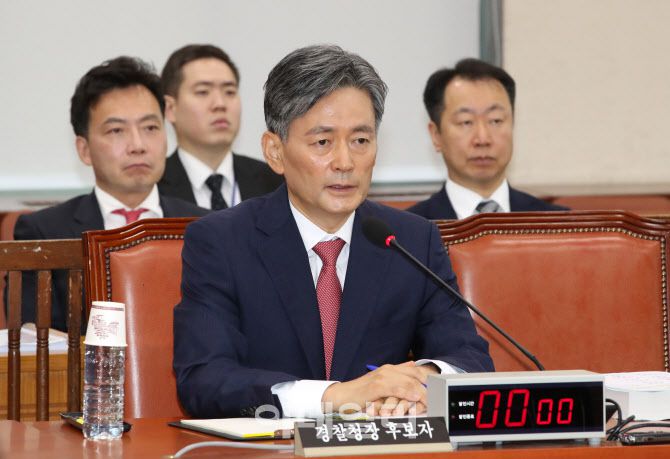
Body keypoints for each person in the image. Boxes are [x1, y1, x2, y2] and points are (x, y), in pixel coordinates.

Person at [173, 45, 493, 420]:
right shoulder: (222, 242)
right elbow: (204, 379)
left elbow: (470, 358)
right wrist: (333, 396)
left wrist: (422, 382)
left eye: (360, 141)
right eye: (322, 142)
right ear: (274, 151)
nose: (345, 162)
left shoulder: (411, 241)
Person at [14, 56, 208, 332]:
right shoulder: (43, 232)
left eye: (150, 128)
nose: (138, 145)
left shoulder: (207, 226)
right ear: (84, 150)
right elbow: (33, 337)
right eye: (117, 130)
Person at [407, 58, 567, 219]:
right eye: (466, 122)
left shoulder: (560, 224)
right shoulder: (408, 229)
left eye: (495, 120)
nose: (483, 139)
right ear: (436, 135)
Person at [158, 44, 283, 210]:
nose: (220, 104)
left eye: (229, 92)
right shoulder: (152, 186)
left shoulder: (277, 181)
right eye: (203, 92)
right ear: (170, 109)